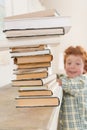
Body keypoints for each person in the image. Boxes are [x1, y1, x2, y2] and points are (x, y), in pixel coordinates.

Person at [57, 46, 87, 130]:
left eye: (77, 64)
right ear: (65, 65)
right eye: (69, 63)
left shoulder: (83, 81)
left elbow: (70, 85)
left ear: (84, 68)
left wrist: (58, 82)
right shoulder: (65, 79)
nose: (72, 66)